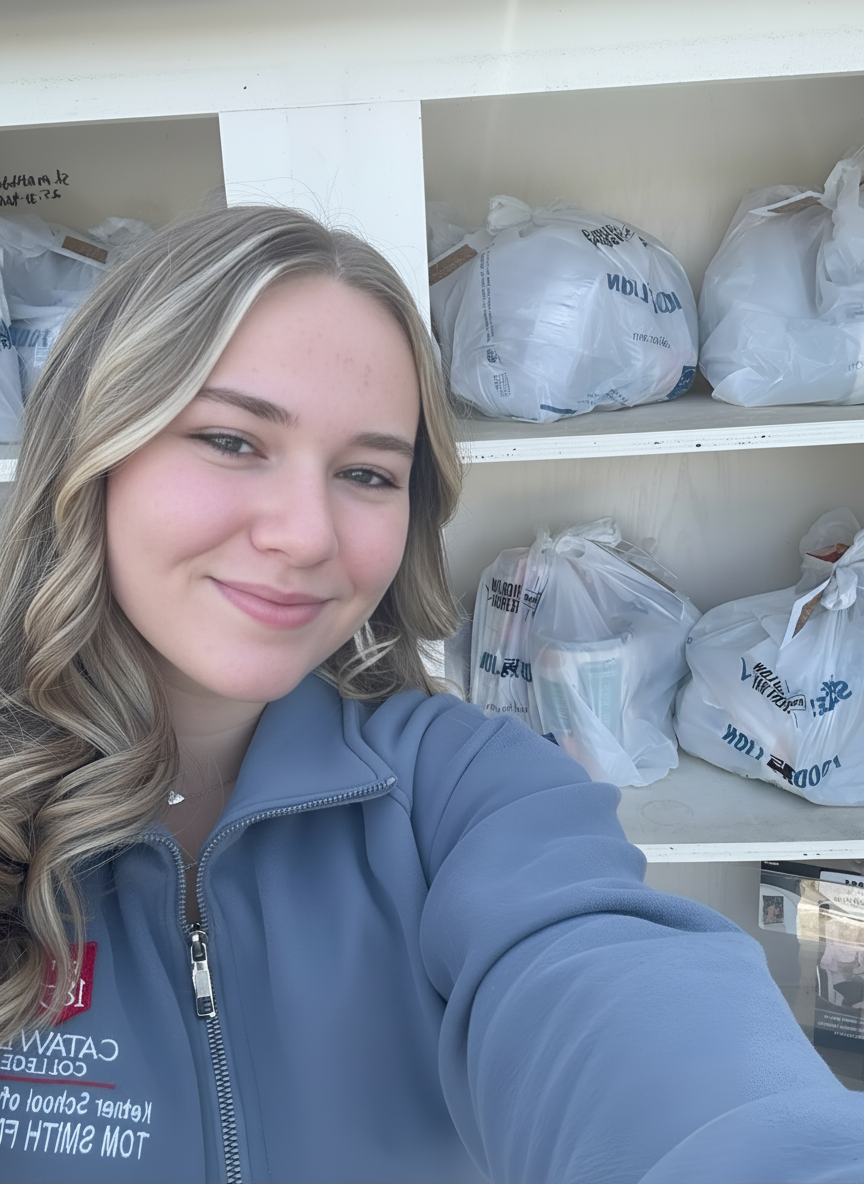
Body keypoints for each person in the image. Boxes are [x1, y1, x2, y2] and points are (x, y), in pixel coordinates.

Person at [0, 204, 862, 1184]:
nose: (305, 534)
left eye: (367, 471)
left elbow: (644, 1024)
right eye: (234, 441)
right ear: (96, 451)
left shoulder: (470, 791)